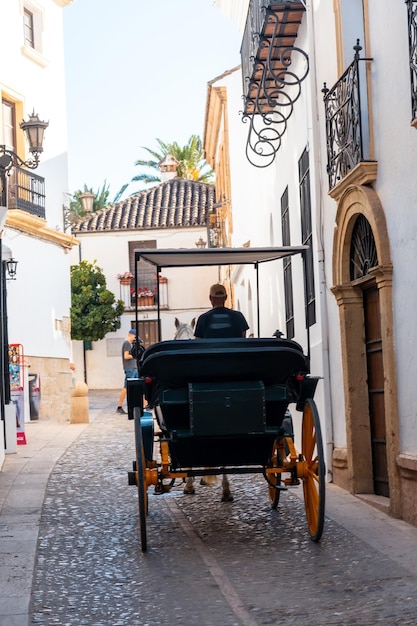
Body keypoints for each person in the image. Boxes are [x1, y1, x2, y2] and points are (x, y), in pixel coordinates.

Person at [116, 329, 139, 414]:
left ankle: (140, 405)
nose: (135, 338)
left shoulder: (130, 344)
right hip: (130, 368)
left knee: (135, 387)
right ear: (130, 335)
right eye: (134, 336)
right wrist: (135, 354)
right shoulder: (127, 343)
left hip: (134, 368)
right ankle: (119, 406)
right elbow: (126, 356)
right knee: (126, 387)